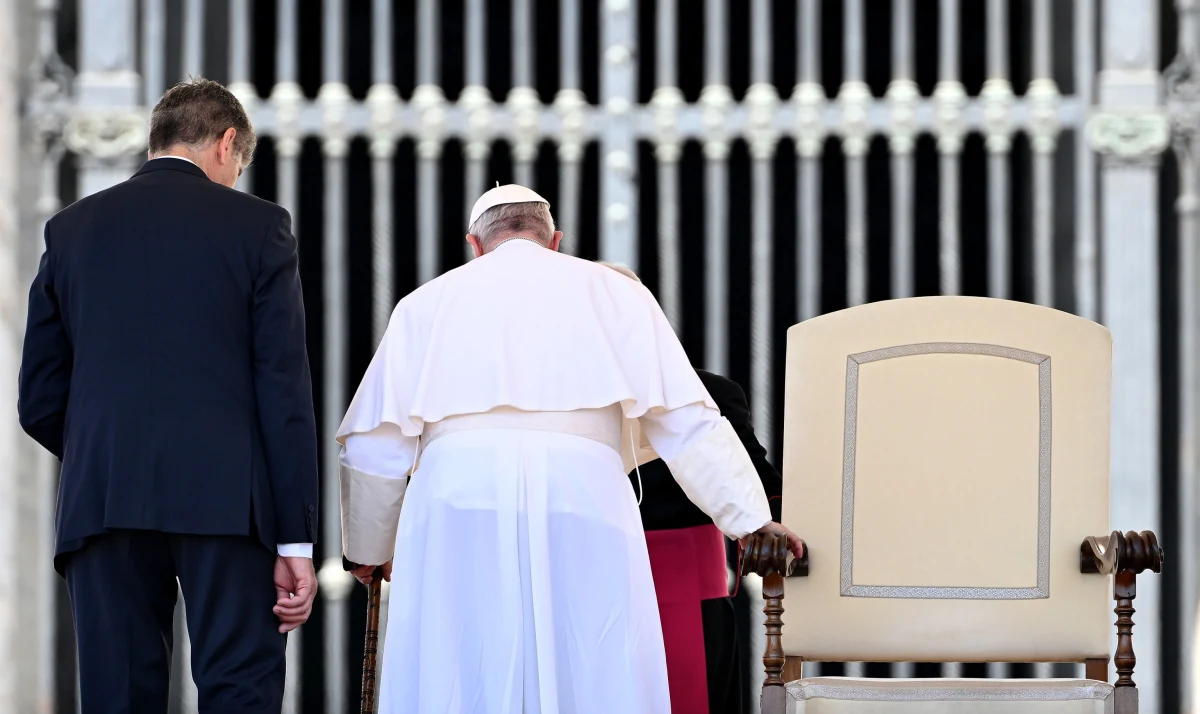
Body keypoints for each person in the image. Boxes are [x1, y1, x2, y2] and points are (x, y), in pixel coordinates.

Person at [337, 183, 803, 714]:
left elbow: (374, 444)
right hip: (584, 495)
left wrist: (370, 551)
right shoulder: (613, 291)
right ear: (554, 240)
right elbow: (688, 421)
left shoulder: (424, 303)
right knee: (592, 663)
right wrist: (750, 519)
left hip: (456, 502)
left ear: (475, 244)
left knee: (463, 661)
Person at [18, 78, 320, 713]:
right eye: (237, 167)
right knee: (239, 688)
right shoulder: (261, 227)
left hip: (103, 501)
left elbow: (39, 396)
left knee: (117, 696)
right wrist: (295, 539)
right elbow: (283, 389)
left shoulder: (71, 230)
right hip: (228, 502)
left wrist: (103, 448)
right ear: (227, 143)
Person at [600, 262, 782, 714]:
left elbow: (763, 486)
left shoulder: (708, 392)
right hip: (586, 578)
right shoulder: (556, 402)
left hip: (684, 583)